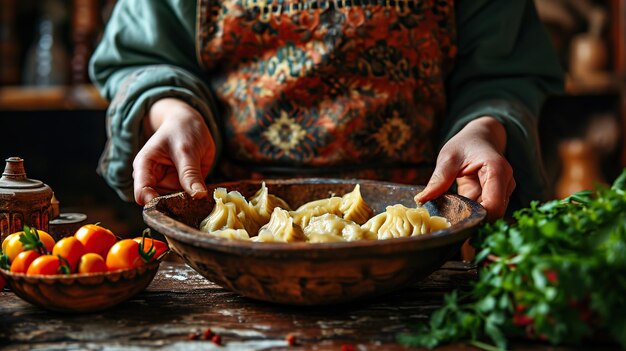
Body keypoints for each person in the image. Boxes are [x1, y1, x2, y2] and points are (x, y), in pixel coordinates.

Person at [89, 0, 563, 222]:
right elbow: (143, 55)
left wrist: (482, 129)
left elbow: (502, 71)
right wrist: (176, 115)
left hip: (424, 238)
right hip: (227, 235)